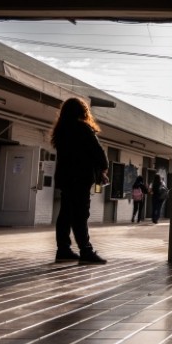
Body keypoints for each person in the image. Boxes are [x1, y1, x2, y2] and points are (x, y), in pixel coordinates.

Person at [51, 98, 109, 264]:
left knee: (66, 214)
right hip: (80, 178)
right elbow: (98, 153)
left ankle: (63, 250)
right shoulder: (83, 128)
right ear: (83, 112)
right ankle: (86, 250)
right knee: (81, 214)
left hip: (65, 178)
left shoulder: (60, 131)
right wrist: (102, 168)